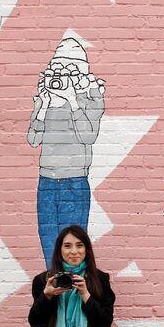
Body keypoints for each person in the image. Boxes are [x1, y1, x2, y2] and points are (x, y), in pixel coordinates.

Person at [27, 38, 106, 267]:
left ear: (81, 73)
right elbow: (33, 139)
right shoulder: (47, 99)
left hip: (75, 182)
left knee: (73, 251)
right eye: (58, 69)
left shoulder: (91, 99)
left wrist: (72, 101)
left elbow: (88, 136)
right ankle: (55, 297)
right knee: (50, 247)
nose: (63, 75)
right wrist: (41, 108)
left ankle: (74, 298)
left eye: (70, 70)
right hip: (47, 182)